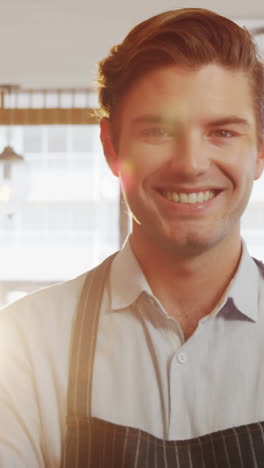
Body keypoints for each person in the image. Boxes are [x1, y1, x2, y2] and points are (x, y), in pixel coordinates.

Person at [0, 7, 264, 468]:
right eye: (158, 131)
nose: (191, 164)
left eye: (222, 132)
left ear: (260, 151)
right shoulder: (22, 343)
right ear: (111, 147)